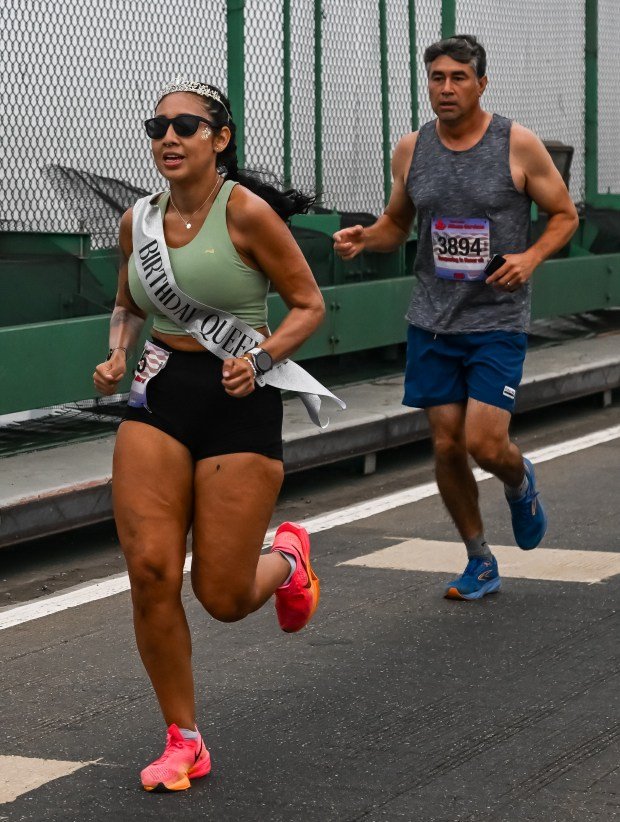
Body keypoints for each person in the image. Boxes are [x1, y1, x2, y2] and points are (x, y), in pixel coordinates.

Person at [93, 78, 325, 791]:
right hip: (161, 393)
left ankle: (288, 560)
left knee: (221, 596)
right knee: (152, 572)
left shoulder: (248, 214)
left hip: (238, 402)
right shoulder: (140, 221)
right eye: (157, 126)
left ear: (219, 139)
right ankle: (184, 738)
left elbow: (309, 305)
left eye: (186, 126)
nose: (168, 137)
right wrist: (116, 351)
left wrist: (260, 359)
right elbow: (129, 302)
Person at [334, 35, 579, 601]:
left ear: (481, 83)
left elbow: (563, 215)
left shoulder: (516, 144)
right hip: (433, 320)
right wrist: (365, 237)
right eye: (437, 77)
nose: (446, 88)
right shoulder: (410, 149)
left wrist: (531, 257)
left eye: (458, 77)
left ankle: (520, 484)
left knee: (485, 444)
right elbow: (397, 223)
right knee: (446, 446)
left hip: (496, 318)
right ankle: (479, 559)